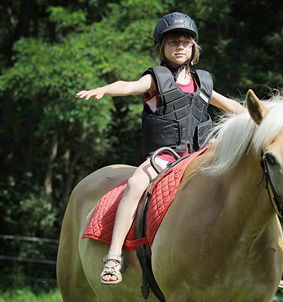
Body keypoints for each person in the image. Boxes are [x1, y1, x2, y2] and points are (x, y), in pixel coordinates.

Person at [76, 12, 244, 284]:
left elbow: (233, 107)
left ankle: (252, 258)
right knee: (134, 185)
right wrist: (105, 90)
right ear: (162, 48)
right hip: (165, 157)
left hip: (201, 157)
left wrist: (264, 115)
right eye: (173, 42)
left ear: (194, 48)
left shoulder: (203, 83)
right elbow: (129, 86)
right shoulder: (157, 79)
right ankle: (114, 256)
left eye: (186, 42)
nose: (180, 46)